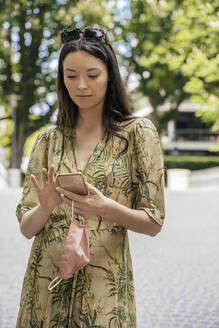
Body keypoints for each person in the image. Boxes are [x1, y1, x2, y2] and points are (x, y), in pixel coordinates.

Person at [16, 27, 165, 328]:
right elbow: (26, 228)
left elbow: (154, 223)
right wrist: (45, 207)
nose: (81, 85)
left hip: (103, 297)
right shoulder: (47, 140)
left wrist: (105, 207)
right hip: (44, 290)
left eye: (92, 75)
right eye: (70, 76)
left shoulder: (137, 134)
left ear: (110, 75)